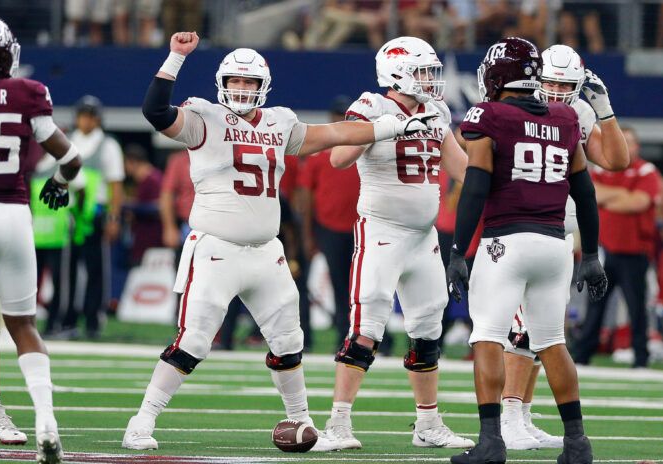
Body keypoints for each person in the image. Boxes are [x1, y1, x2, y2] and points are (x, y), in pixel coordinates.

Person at [121, 31, 437, 451]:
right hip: (216, 246)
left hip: (267, 250)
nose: (242, 89)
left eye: (250, 83)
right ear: (222, 82)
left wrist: (390, 127)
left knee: (289, 340)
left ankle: (302, 422)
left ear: (263, 86)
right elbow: (155, 111)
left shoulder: (279, 122)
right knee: (194, 339)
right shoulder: (204, 117)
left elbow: (334, 135)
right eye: (235, 81)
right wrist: (175, 58)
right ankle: (142, 420)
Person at [446, 37, 608, 464]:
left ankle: (490, 442)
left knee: (487, 339)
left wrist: (459, 250)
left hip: (507, 242)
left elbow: (476, 184)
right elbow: (585, 193)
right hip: (556, 244)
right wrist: (590, 254)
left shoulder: (489, 114)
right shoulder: (565, 116)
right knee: (552, 342)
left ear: (498, 75)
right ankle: (577, 443)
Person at [323, 36, 472, 451]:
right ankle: (338, 422)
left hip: (423, 236)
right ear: (397, 72)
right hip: (382, 230)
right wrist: (386, 129)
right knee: (367, 324)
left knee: (428, 328)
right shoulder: (373, 106)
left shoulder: (437, 111)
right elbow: (338, 158)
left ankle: (428, 423)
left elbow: (461, 167)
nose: (430, 80)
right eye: (423, 71)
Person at [499, 43, 629, 450]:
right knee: (522, 328)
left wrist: (604, 109)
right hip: (525, 221)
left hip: (561, 230)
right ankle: (508, 415)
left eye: (565, 84)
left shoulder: (582, 113)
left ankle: (521, 413)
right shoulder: (517, 106)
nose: (555, 91)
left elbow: (616, 161)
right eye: (550, 81)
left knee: (546, 330)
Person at [0, 15, 84, 464]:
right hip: (13, 214)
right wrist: (62, 183)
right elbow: (71, 157)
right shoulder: (30, 93)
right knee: (22, 325)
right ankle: (45, 419)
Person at [573, 127, 662, 369]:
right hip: (605, 250)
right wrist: (622, 194)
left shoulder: (646, 170)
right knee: (594, 305)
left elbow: (638, 202)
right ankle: (582, 355)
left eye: (630, 142)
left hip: (635, 251)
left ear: (637, 146)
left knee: (636, 307)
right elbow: (591, 195)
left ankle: (641, 358)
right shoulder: (602, 169)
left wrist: (610, 198)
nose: (627, 146)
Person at [295, 95, 360, 349]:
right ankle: (345, 335)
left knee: (365, 287)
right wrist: (309, 235)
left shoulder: (362, 148)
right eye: (337, 115)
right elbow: (306, 198)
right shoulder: (318, 156)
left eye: (345, 116)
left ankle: (376, 337)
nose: (341, 120)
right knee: (340, 284)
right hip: (330, 228)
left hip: (361, 227)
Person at [61, 94, 124, 339]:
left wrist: (113, 217)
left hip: (96, 213)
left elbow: (115, 184)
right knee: (67, 270)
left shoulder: (108, 145)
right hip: (70, 214)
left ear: (97, 119)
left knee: (96, 269)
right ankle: (67, 318)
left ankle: (92, 319)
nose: (86, 121)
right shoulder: (67, 141)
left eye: (90, 116)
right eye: (82, 115)